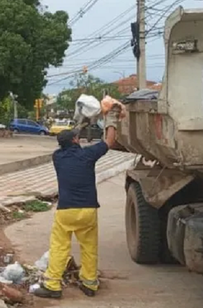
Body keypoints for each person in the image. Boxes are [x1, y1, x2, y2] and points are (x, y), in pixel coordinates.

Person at [33, 106, 121, 299]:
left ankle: (52, 285)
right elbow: (110, 141)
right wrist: (111, 118)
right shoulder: (88, 155)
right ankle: (90, 283)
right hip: (88, 210)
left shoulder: (57, 157)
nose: (78, 138)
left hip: (66, 211)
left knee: (59, 247)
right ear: (75, 141)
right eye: (76, 137)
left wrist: (78, 127)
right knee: (89, 247)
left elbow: (69, 142)